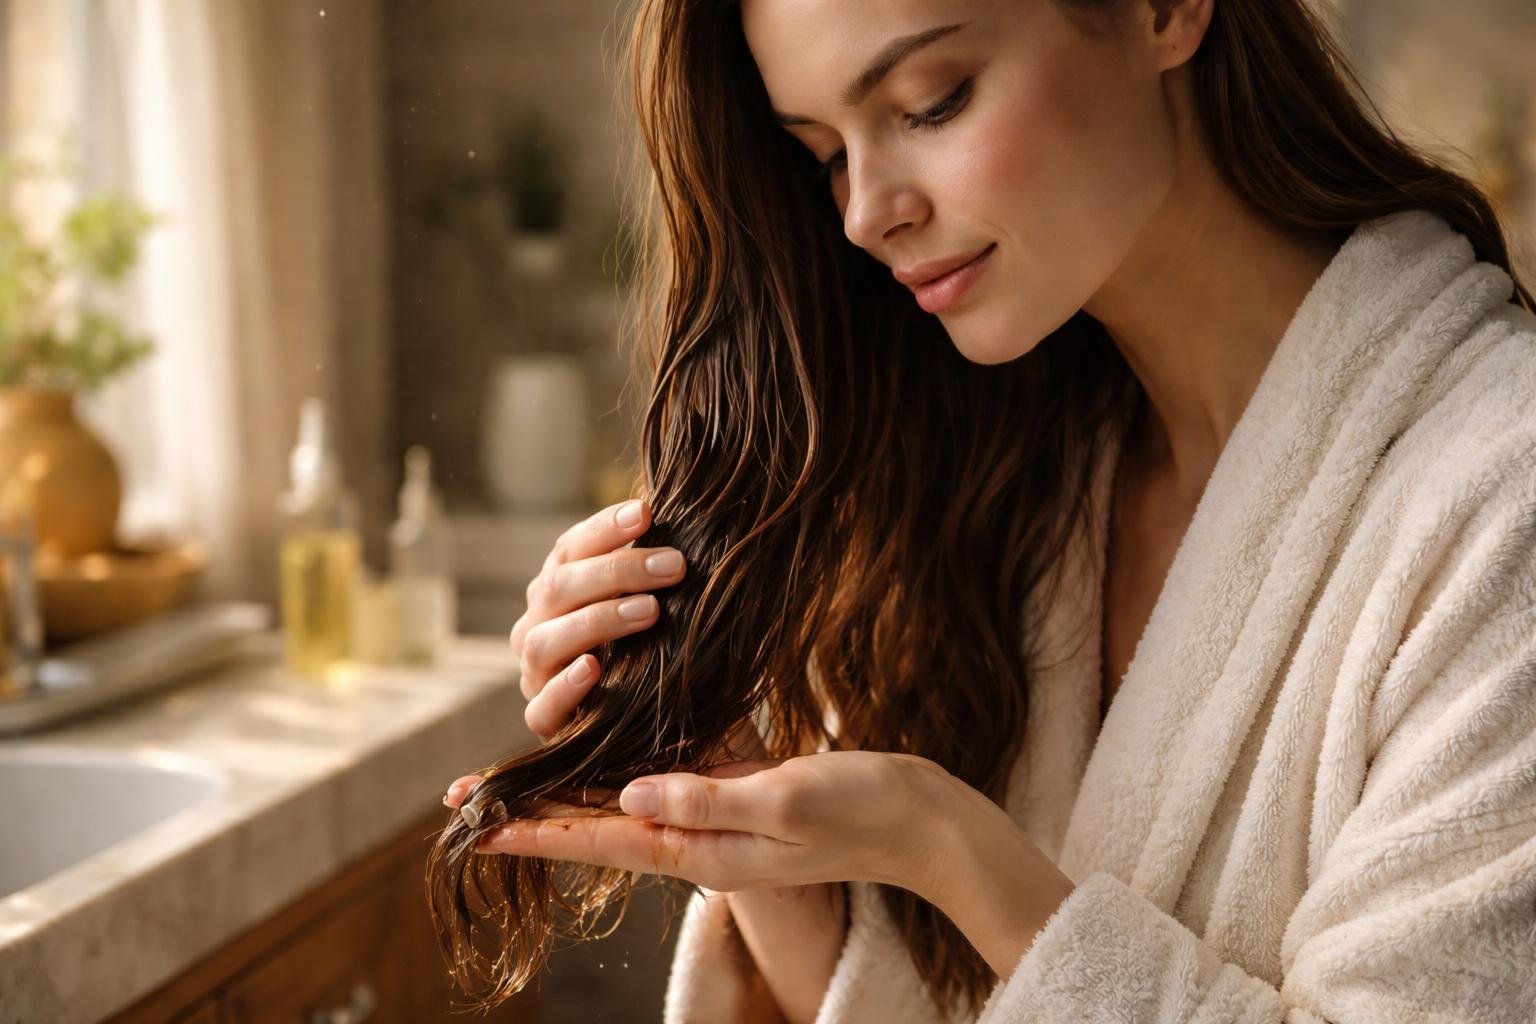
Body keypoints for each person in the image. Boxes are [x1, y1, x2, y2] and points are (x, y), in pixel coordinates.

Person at [445, 0, 1536, 1020]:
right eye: (825, 154)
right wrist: (735, 806)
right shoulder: (1009, 487)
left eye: (931, 101)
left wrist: (947, 849)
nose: (869, 213)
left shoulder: (1501, 495)